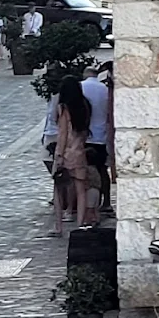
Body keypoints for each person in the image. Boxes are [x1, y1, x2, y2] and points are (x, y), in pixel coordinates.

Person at [52, 76, 98, 235]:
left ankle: (58, 227)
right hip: (79, 152)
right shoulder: (85, 106)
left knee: (58, 190)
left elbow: (63, 133)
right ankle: (79, 226)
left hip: (66, 153)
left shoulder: (63, 108)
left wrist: (59, 155)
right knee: (80, 190)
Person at [81, 63, 113, 216]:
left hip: (86, 135)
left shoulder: (81, 87)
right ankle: (106, 201)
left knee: (88, 173)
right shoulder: (105, 89)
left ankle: (90, 207)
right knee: (102, 171)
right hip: (102, 135)